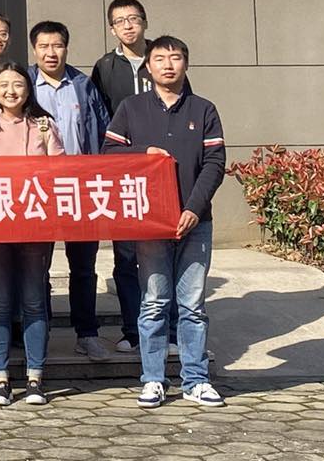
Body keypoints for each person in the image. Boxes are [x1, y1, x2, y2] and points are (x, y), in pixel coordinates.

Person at [103, 36, 227, 409]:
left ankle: (196, 380)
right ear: (148, 67)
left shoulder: (203, 109)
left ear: (186, 63)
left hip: (195, 222)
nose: (168, 65)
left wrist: (193, 209)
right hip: (151, 223)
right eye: (160, 58)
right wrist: (144, 152)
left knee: (192, 306)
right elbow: (110, 153)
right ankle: (154, 380)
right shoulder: (131, 108)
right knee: (155, 303)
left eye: (175, 58)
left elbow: (215, 163)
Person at [0, 62, 63, 407]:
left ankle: (35, 377)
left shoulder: (44, 126)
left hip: (35, 226)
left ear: (28, 89)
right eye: (3, 84)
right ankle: (1, 378)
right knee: (1, 301)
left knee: (34, 300)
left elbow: (60, 173)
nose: (10, 91)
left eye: (18, 84)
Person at [29, 20, 112, 362]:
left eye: (57, 45)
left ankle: (87, 333)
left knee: (83, 266)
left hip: (80, 187)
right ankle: (40, 335)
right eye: (44, 46)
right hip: (38, 191)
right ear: (34, 49)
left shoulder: (83, 84)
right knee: (38, 267)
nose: (51, 52)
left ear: (66, 47)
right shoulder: (23, 84)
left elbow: (103, 132)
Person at [90, 0, 156, 354]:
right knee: (126, 256)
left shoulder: (162, 57)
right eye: (120, 21)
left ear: (144, 21)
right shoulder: (104, 67)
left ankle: (166, 330)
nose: (128, 26)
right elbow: (100, 117)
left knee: (162, 255)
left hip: (159, 171)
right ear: (111, 28)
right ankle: (133, 329)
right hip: (121, 172)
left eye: (133, 19)